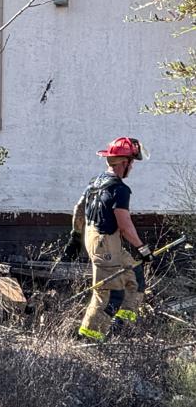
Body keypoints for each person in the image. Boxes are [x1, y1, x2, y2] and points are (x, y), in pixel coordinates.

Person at [68, 136, 152, 342]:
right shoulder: (119, 189)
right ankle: (88, 339)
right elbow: (124, 225)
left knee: (135, 277)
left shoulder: (95, 182)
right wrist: (142, 248)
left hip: (98, 239)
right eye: (131, 163)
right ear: (124, 163)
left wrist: (76, 236)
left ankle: (120, 327)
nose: (132, 167)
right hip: (105, 244)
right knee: (109, 293)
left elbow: (78, 210)